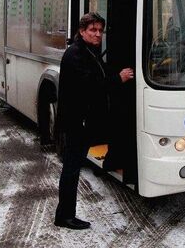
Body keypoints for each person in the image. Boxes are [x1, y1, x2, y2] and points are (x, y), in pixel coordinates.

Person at [54, 12, 134, 230]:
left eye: (100, 30)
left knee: (75, 165)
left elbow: (100, 73)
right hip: (76, 122)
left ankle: (65, 213)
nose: (98, 34)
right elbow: (90, 85)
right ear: (82, 31)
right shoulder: (75, 54)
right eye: (93, 30)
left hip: (85, 121)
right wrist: (118, 78)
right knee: (71, 168)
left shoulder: (89, 51)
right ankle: (64, 216)